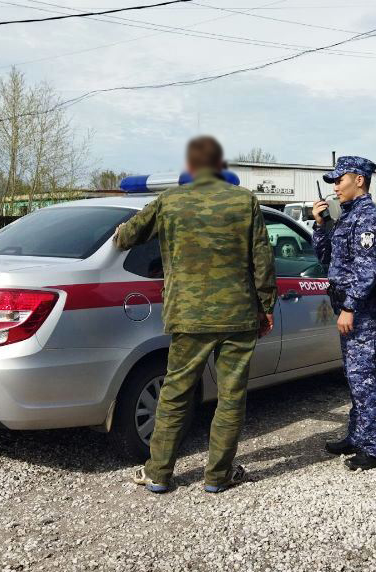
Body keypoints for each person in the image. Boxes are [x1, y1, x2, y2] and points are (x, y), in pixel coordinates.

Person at [114, 136, 278, 494]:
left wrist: (121, 233)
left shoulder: (169, 201)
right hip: (238, 315)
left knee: (175, 393)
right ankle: (218, 477)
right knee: (232, 396)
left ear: (190, 167)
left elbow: (126, 238)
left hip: (188, 316)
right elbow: (262, 260)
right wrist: (267, 306)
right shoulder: (244, 201)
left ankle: (158, 473)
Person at [312, 156, 376, 471]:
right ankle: (358, 436)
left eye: (339, 180)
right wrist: (320, 226)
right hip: (349, 307)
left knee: (363, 379)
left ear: (359, 179)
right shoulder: (347, 217)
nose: (335, 186)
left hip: (361, 311)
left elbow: (368, 268)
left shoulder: (368, 217)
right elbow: (325, 257)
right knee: (355, 377)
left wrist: (349, 306)